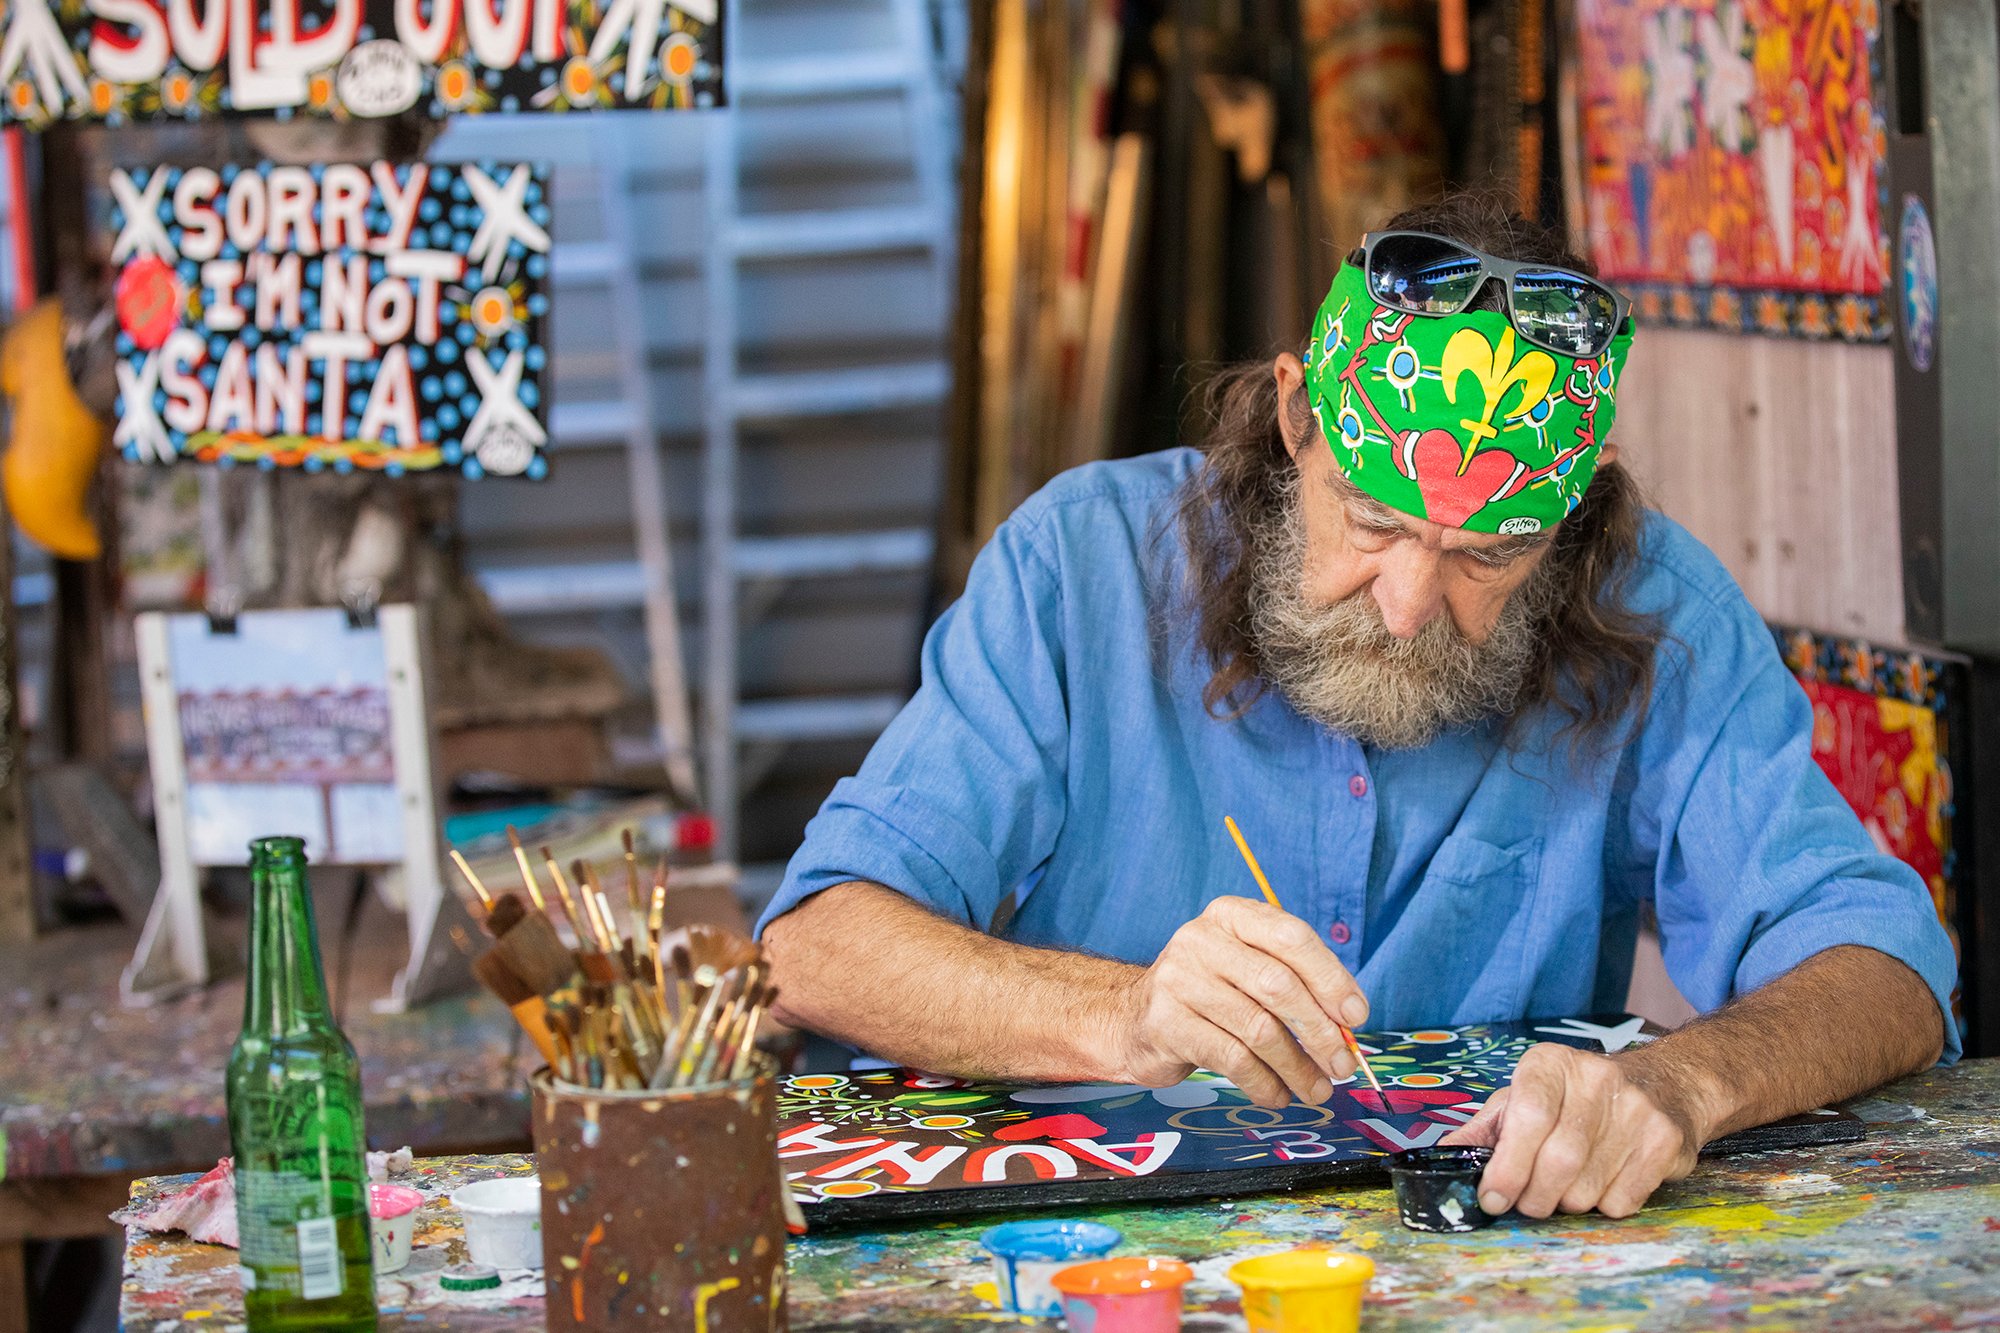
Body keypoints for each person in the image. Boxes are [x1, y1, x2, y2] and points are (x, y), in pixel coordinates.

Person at [757, 193, 1956, 1220]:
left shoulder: (1656, 610)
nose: (1404, 604)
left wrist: (1683, 1083)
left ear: (1570, 519)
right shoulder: (1085, 564)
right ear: (1294, 421)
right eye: (1372, 525)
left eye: (1486, 557)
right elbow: (814, 946)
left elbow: (1887, 970)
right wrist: (1123, 1015)